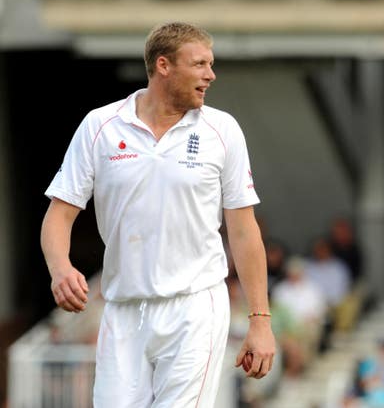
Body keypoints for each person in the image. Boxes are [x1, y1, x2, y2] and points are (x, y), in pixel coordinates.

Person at [40, 21, 276, 407]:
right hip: (122, 310)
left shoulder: (223, 130)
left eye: (211, 64)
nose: (210, 75)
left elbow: (245, 232)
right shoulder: (100, 126)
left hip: (195, 307)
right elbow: (60, 214)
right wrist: (60, 267)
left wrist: (260, 320)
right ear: (163, 66)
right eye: (199, 64)